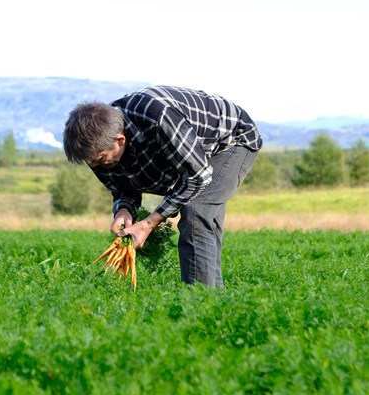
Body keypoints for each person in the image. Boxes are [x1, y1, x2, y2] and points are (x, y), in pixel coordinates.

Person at [62, 86, 263, 288]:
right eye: (91, 163)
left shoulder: (158, 117)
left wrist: (149, 224)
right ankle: (213, 302)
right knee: (204, 223)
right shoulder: (99, 145)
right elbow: (122, 185)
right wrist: (124, 210)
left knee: (196, 213)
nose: (96, 167)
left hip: (231, 139)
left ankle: (199, 303)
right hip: (192, 151)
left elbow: (197, 175)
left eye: (101, 160)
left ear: (120, 140)